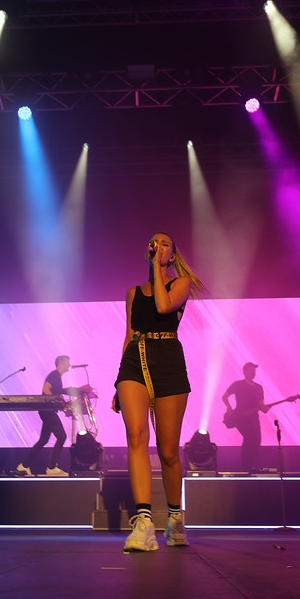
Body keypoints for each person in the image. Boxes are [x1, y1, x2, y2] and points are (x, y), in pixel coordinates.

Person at [112, 232, 205, 551]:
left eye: (165, 244)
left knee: (168, 450)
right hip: (134, 360)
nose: (158, 246)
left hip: (167, 360)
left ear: (172, 255)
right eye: (153, 242)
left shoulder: (180, 284)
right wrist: (117, 382)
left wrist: (157, 269)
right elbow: (128, 333)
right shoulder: (132, 293)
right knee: (136, 437)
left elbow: (164, 308)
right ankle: (143, 522)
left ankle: (175, 517)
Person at [16, 355, 70, 477]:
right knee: (62, 436)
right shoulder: (55, 374)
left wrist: (63, 404)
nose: (70, 364)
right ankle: (51, 467)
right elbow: (46, 389)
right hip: (47, 411)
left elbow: (56, 393)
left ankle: (23, 466)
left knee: (43, 440)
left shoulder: (58, 377)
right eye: (68, 362)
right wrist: (56, 401)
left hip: (47, 411)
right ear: (61, 363)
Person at [221, 362, 269, 472]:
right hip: (241, 417)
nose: (253, 372)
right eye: (251, 370)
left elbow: (262, 406)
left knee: (257, 440)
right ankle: (246, 467)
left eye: (254, 370)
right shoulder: (238, 384)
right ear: (245, 372)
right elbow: (224, 397)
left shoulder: (258, 388)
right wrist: (229, 408)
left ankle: (251, 466)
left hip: (254, 417)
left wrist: (266, 408)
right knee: (250, 437)